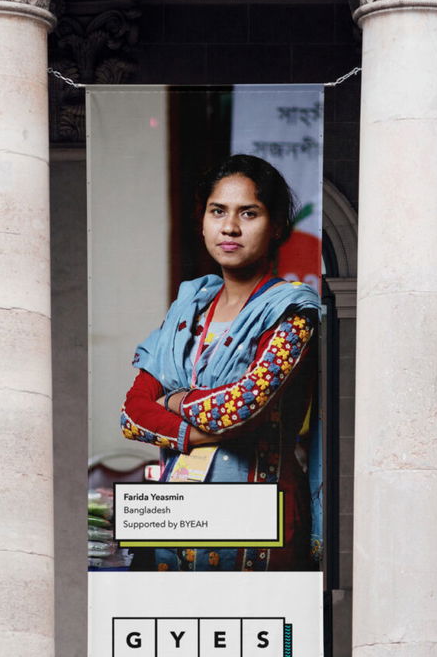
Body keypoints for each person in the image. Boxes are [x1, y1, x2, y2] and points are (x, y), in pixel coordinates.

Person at [118, 153, 327, 571]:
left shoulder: (291, 313)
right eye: (218, 211)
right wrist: (199, 424)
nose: (230, 227)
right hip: (176, 517)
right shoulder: (187, 310)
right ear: (203, 222)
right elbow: (131, 415)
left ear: (277, 226)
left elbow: (238, 408)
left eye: (248, 213)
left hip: (258, 522)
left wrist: (171, 401)